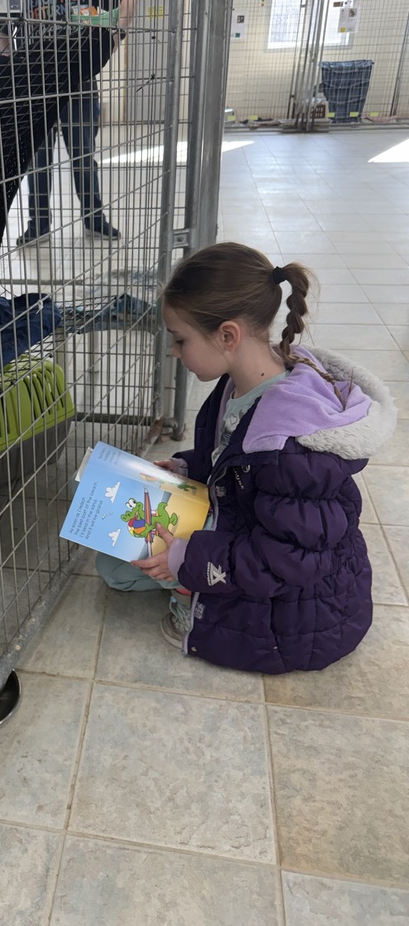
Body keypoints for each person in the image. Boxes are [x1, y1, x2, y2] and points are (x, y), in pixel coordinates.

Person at [97, 242, 396, 673]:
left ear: (228, 335)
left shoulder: (291, 444)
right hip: (251, 526)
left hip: (298, 609)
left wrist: (186, 562)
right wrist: (185, 469)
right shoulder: (242, 379)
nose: (175, 353)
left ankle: (192, 602)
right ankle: (188, 574)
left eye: (180, 340)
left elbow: (287, 559)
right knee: (114, 561)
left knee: (136, 562)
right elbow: (226, 456)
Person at [0, 0, 134, 246]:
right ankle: (38, 225)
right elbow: (4, 29)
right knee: (38, 158)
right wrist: (9, 68)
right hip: (34, 84)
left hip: (78, 81)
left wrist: (116, 33)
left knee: (82, 154)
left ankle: (94, 219)